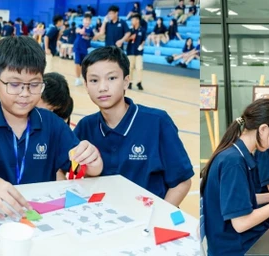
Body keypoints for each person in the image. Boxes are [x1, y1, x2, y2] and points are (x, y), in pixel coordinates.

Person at [0, 36, 103, 219]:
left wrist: (93, 163)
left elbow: (77, 168)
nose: (25, 94)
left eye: (34, 84)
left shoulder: (52, 123)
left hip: (37, 216)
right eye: (14, 84)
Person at [74, 46, 194, 206]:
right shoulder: (85, 127)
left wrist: (159, 217)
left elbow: (182, 181)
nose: (102, 87)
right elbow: (71, 172)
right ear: (86, 86)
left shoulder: (158, 122)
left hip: (148, 221)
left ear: (126, 82)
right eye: (94, 80)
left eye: (111, 78)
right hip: (104, 220)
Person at [201, 99, 269, 255]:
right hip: (237, 248)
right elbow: (241, 223)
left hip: (244, 239)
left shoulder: (238, 154)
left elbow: (243, 199)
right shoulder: (233, 162)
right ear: (263, 129)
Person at [73, 14, 94, 86]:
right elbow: (77, 30)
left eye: (89, 20)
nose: (87, 21)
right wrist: (80, 31)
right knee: (77, 63)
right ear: (83, 20)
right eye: (86, 20)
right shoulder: (80, 26)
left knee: (84, 65)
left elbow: (93, 37)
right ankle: (77, 79)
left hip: (85, 49)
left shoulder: (91, 30)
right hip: (77, 48)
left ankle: (85, 78)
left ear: (91, 21)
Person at [125, 15, 145, 90]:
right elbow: (126, 40)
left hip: (139, 52)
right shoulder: (130, 30)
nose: (132, 22)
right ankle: (130, 82)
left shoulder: (142, 30)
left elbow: (144, 40)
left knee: (139, 67)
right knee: (130, 68)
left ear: (137, 20)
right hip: (130, 51)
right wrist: (130, 37)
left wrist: (141, 46)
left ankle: (139, 82)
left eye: (133, 20)